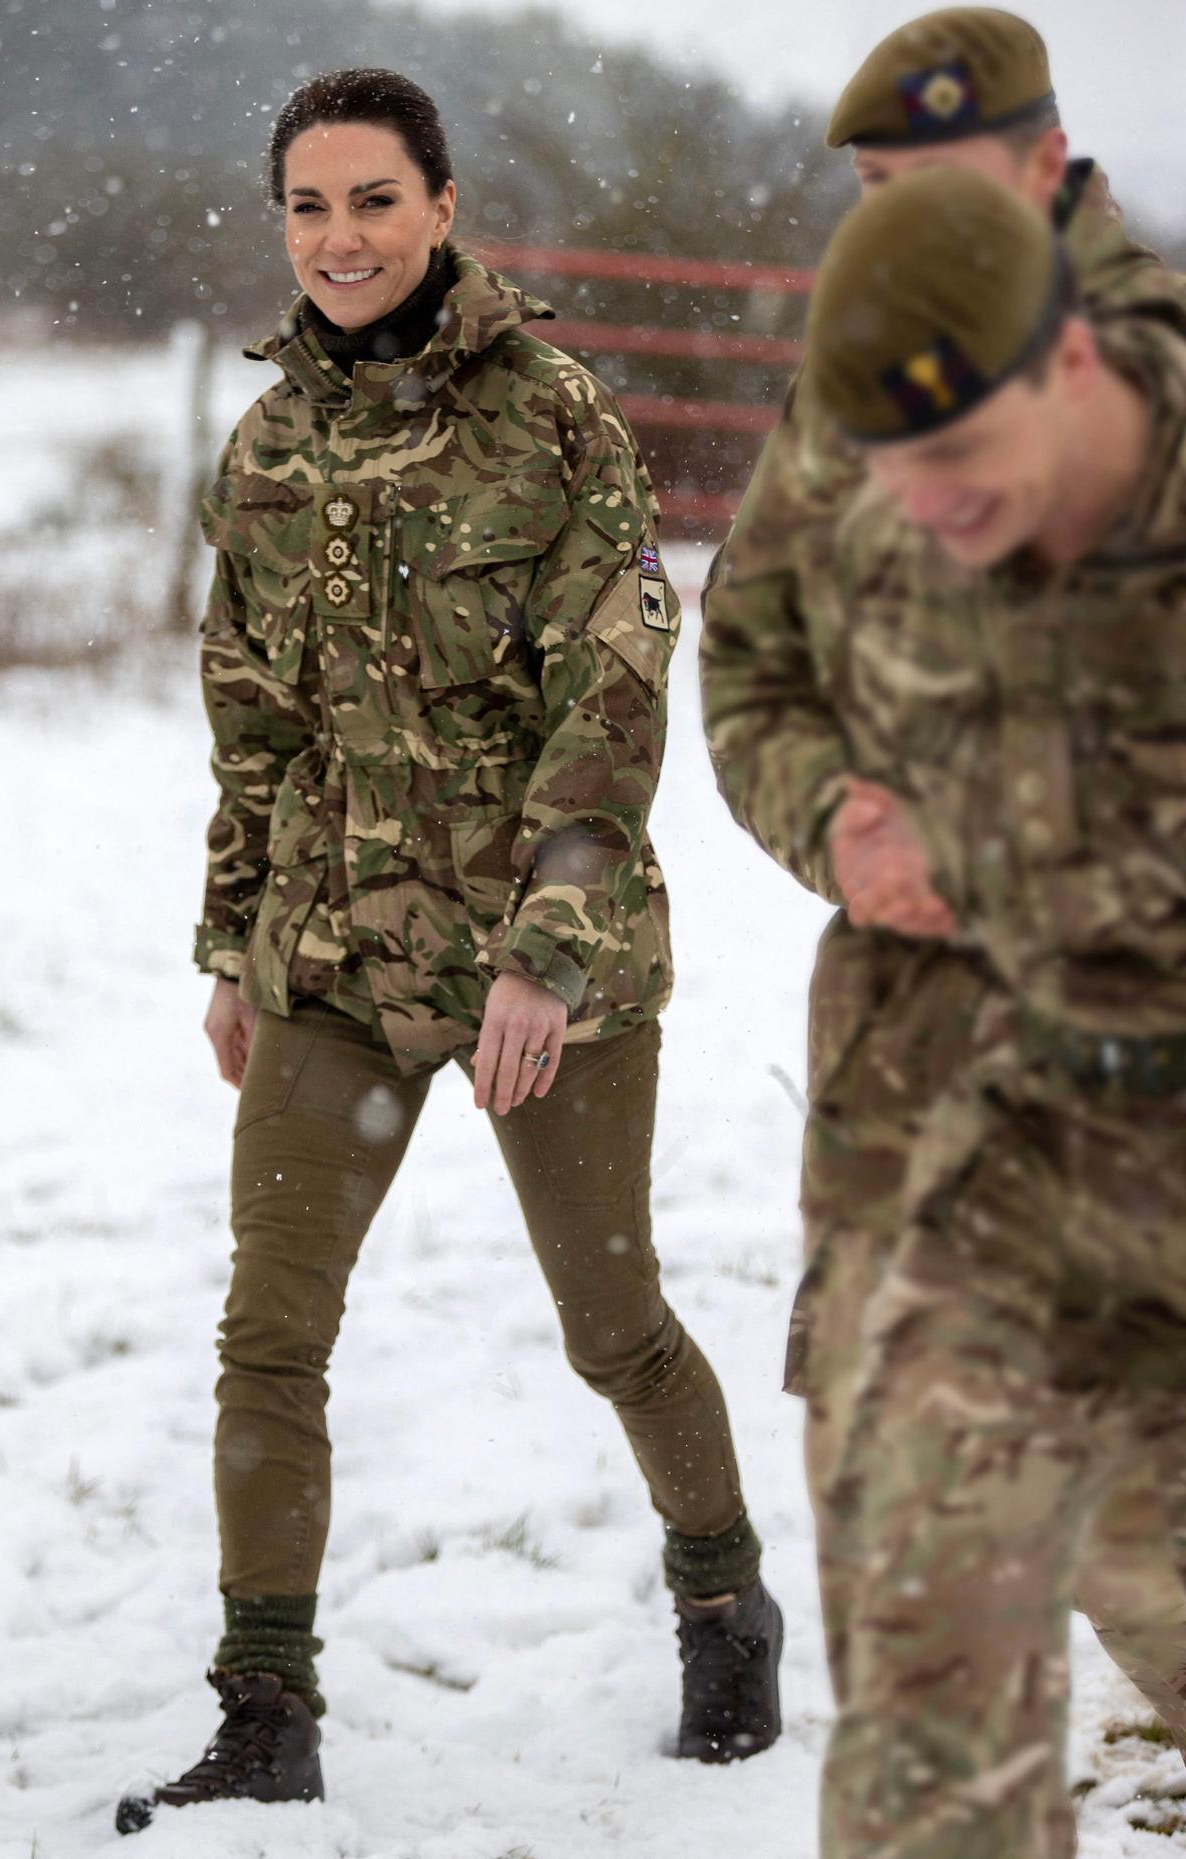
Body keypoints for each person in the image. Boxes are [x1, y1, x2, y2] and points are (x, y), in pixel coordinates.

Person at [116, 67, 780, 1835]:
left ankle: (723, 1597)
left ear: (442, 206)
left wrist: (540, 960)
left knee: (613, 1326)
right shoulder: (268, 446)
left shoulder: (557, 420)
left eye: (374, 201)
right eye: (309, 207)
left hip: (542, 972)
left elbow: (610, 706)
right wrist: (230, 941)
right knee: (270, 1341)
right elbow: (249, 717)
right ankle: (267, 1705)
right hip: (329, 956)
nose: (341, 239)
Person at [700, 2, 1186, 1772]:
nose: (892, 223)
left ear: (1050, 165)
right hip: (908, 1066)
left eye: (934, 181)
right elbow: (746, 652)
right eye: (872, 189)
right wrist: (833, 817)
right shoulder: (870, 355)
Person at [798, 160, 1186, 1859]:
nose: (919, 505)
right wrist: (841, 810)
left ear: (1081, 363)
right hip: (1031, 1145)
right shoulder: (907, 529)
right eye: (886, 464)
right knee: (929, 1671)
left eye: (956, 454)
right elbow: (766, 666)